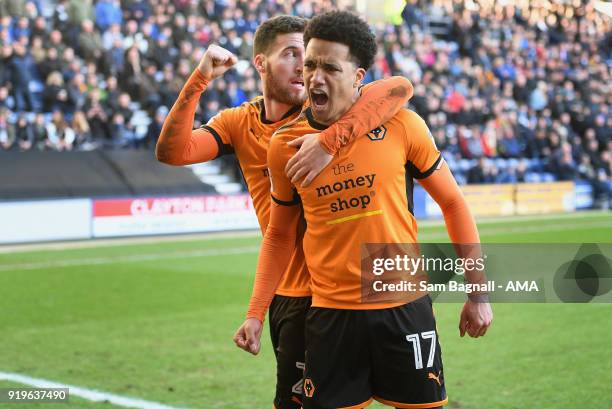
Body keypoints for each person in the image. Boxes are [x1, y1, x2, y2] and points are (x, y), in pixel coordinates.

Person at [235, 11, 492, 409]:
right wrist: (255, 312)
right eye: (310, 65)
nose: (314, 78)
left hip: (404, 309)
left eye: (330, 68)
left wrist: (478, 292)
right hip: (330, 317)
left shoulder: (403, 126)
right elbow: (280, 234)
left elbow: (453, 203)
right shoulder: (285, 143)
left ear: (358, 78)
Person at [156, 15, 414, 409]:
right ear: (261, 63)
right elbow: (174, 152)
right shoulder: (237, 123)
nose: (304, 67)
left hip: (347, 290)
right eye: (293, 54)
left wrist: (330, 139)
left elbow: (399, 87)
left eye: (308, 57)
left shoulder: (328, 109)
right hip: (292, 294)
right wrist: (200, 78)